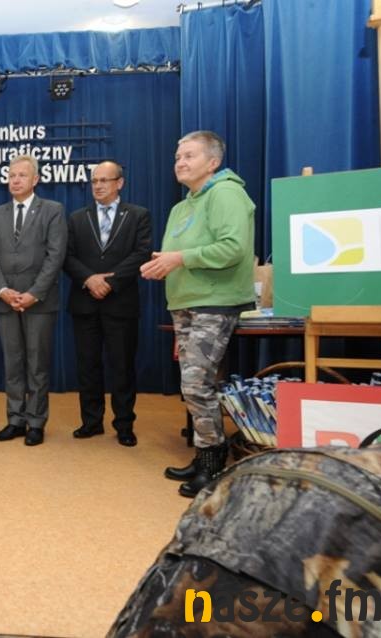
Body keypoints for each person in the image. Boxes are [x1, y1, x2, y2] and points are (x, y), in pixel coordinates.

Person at [140, 131, 255, 497]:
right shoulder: (182, 206)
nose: (180, 162)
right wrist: (164, 263)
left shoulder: (226, 193)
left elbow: (233, 248)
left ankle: (213, 463)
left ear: (213, 162)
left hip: (215, 301)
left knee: (196, 383)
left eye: (189, 155)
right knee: (192, 385)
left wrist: (179, 258)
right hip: (185, 302)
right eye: (178, 157)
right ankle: (205, 455)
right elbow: (180, 253)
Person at [64, 160, 151, 447]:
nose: (98, 186)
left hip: (120, 302)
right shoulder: (77, 218)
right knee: (87, 365)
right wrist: (89, 279)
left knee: (122, 366)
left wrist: (110, 282)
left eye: (104, 180)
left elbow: (141, 253)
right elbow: (67, 256)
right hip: (85, 302)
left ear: (119, 183)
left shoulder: (138, 215)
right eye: (94, 181)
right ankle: (91, 422)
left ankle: (124, 424)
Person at [0, 155, 66, 446]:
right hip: (5, 300)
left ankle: (36, 422)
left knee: (37, 364)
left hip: (39, 301)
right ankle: (15, 420)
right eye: (11, 175)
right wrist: (2, 290)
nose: (15, 180)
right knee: (13, 363)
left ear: (35, 180)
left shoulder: (52, 210)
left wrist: (33, 293)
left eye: (22, 175)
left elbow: (55, 256)